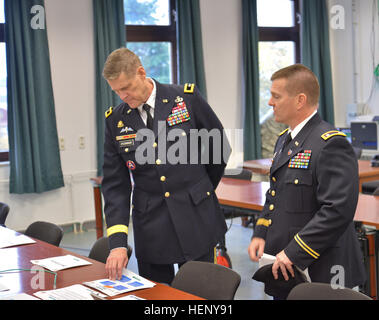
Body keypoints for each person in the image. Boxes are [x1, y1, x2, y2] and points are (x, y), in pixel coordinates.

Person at [101, 48, 231, 283]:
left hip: (196, 217)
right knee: (156, 295)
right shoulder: (115, 120)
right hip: (151, 225)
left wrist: (199, 189)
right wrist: (118, 244)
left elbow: (219, 147)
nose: (122, 96)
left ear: (141, 73)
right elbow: (115, 186)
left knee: (198, 291)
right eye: (116, 91)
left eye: (126, 87)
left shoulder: (186, 98)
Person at [248, 64, 366, 296]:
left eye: (276, 96)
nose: (270, 103)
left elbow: (337, 210)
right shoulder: (285, 139)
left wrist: (294, 252)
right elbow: (274, 195)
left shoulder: (330, 143)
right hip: (285, 263)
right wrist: (260, 233)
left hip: (321, 266)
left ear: (300, 100)